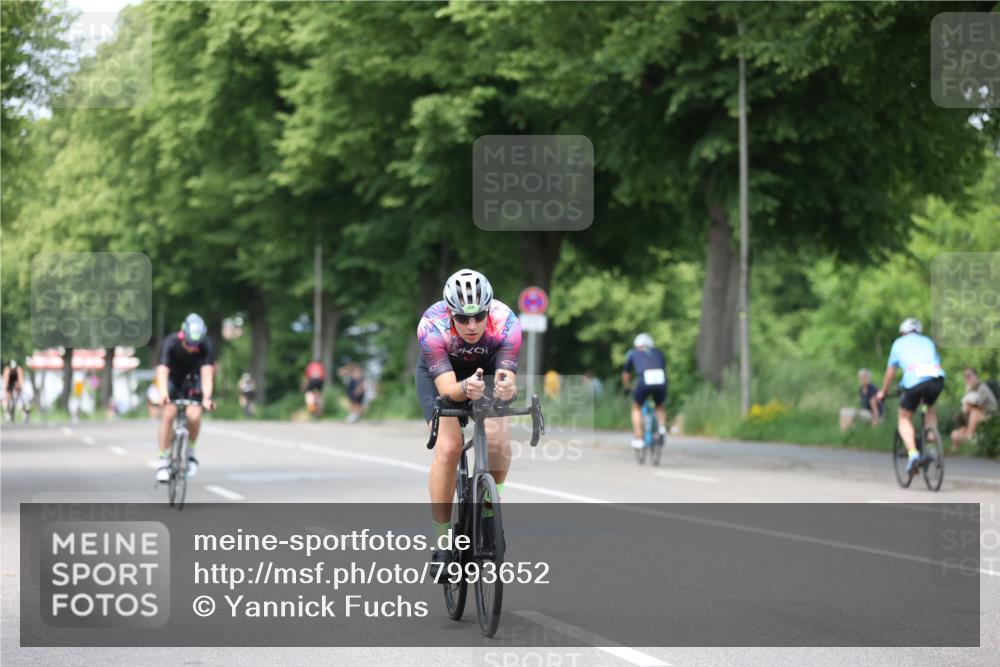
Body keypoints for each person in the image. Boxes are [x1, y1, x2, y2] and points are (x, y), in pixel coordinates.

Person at [415, 269, 520, 566]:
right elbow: (448, 389)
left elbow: (505, 375)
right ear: (450, 313)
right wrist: (463, 388)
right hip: (443, 375)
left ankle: (488, 512)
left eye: (479, 316)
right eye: (462, 318)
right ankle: (443, 541)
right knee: (449, 448)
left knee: (499, 443)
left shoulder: (507, 322)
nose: (472, 325)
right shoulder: (431, 325)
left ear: (489, 309)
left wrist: (506, 385)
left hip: (485, 371)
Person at [876, 318, 945, 478]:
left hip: (914, 379)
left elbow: (890, 374)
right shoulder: (927, 341)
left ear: (903, 332)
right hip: (936, 378)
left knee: (904, 418)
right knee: (929, 407)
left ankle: (913, 453)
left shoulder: (899, 343)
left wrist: (883, 392)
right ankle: (931, 441)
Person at [154, 313, 216, 482]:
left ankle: (190, 453)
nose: (192, 348)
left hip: (194, 379)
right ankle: (163, 459)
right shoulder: (171, 342)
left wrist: (207, 398)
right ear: (183, 336)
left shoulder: (207, 345)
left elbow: (207, 374)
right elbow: (162, 371)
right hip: (173, 379)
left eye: (196, 345)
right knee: (169, 414)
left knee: (194, 417)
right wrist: (163, 394)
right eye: (189, 344)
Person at [622, 333, 668, 449]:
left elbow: (626, 374)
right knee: (659, 405)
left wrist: (626, 388)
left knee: (636, 407)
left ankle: (638, 437)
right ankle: (662, 428)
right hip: (660, 380)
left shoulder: (633, 353)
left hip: (644, 380)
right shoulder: (659, 353)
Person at [950, 367, 998, 450]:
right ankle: (961, 448)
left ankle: (970, 436)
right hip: (972, 422)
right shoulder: (970, 391)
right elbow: (964, 411)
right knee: (954, 434)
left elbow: (978, 406)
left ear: (976, 376)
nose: (967, 379)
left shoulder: (982, 388)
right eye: (965, 377)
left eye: (969, 376)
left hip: (990, 419)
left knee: (975, 412)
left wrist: (967, 397)